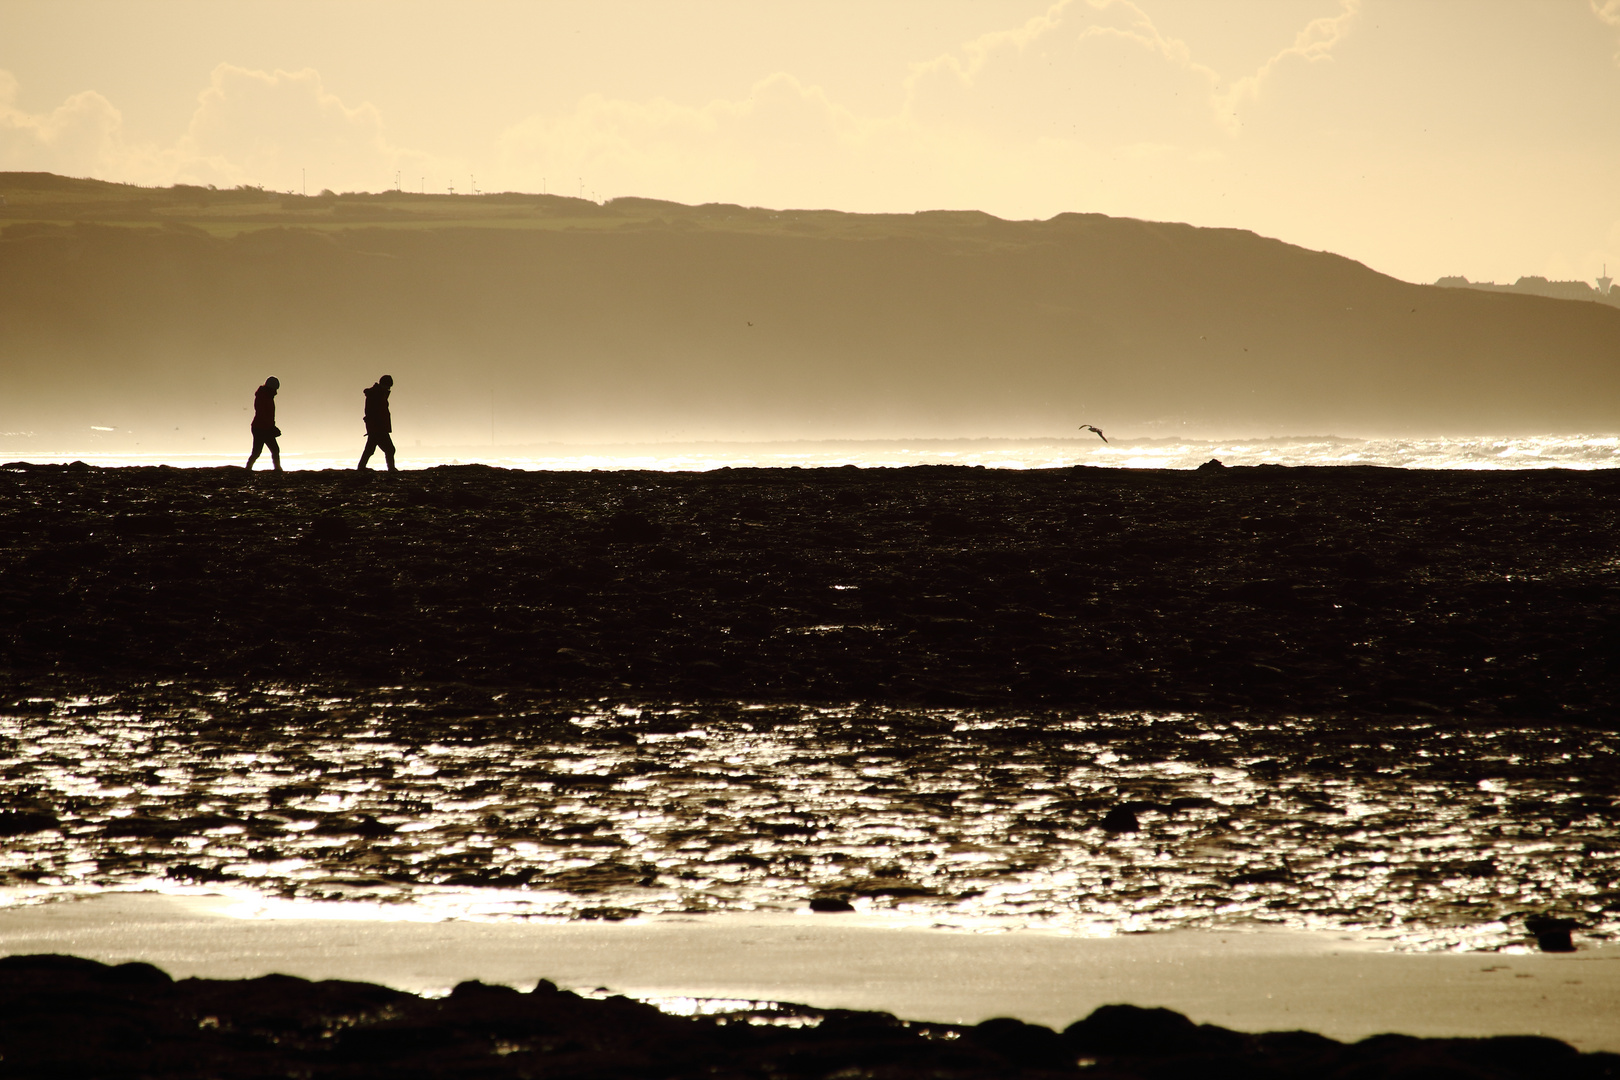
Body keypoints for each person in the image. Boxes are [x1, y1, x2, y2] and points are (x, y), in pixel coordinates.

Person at [357, 374, 398, 472]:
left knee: (370, 449)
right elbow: (374, 412)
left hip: (376, 427)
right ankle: (391, 468)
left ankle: (361, 467)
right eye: (388, 386)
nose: (389, 389)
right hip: (378, 427)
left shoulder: (376, 394)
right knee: (389, 449)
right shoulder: (376, 395)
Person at [246, 376, 282, 471]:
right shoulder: (264, 397)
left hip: (262, 427)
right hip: (261, 428)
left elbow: (268, 415)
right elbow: (263, 414)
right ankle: (277, 469)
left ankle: (248, 468)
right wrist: (271, 427)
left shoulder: (266, 396)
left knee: (258, 451)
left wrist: (272, 426)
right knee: (271, 449)